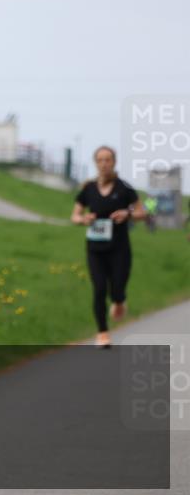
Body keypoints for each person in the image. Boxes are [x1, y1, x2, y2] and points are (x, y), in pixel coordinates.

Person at [70, 146, 147, 348]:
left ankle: (119, 300)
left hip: (119, 248)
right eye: (100, 160)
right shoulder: (88, 189)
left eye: (108, 160)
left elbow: (142, 212)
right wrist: (83, 218)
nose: (104, 164)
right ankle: (103, 332)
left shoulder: (125, 189)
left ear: (114, 162)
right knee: (99, 289)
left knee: (117, 288)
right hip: (95, 249)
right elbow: (74, 215)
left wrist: (127, 214)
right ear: (96, 163)